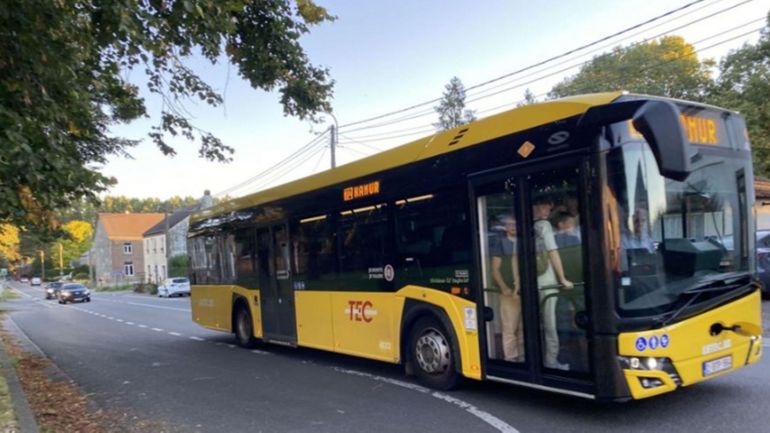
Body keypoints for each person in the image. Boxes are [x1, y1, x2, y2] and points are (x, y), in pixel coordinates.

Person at [532, 197, 574, 370]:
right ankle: (550, 361)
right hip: (547, 280)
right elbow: (553, 252)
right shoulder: (544, 226)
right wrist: (562, 278)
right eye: (546, 208)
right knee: (550, 324)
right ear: (538, 207)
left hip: (533, 280)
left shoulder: (528, 225)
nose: (548, 212)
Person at [489, 214, 524, 363]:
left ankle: (523, 356)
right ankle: (510, 358)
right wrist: (504, 288)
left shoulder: (525, 242)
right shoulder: (501, 243)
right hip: (509, 292)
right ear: (505, 227)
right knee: (510, 327)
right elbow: (495, 269)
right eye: (510, 224)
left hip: (524, 291)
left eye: (515, 224)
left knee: (523, 327)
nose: (513, 227)